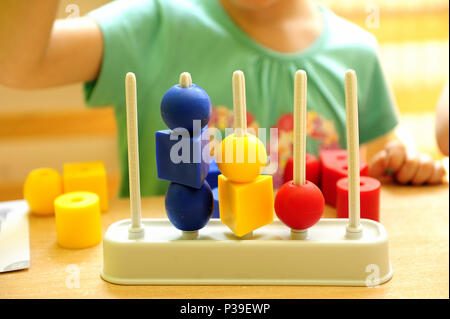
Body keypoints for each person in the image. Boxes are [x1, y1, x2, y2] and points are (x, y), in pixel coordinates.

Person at [0, 0, 445, 196]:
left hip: (316, 276)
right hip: (175, 280)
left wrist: (405, 160)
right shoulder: (154, 21)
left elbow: (387, 150)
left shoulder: (356, 50)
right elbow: (19, 65)